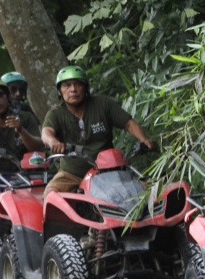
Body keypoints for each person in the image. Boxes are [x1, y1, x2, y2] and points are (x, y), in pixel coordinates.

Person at [41, 65, 157, 199]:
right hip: (72, 174)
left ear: (85, 88)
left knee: (147, 192)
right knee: (50, 195)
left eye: (78, 84)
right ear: (59, 91)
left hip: (109, 172)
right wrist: (53, 141)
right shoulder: (56, 113)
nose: (73, 89)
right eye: (67, 85)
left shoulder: (103, 104)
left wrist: (144, 140)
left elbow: (128, 123)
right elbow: (46, 132)